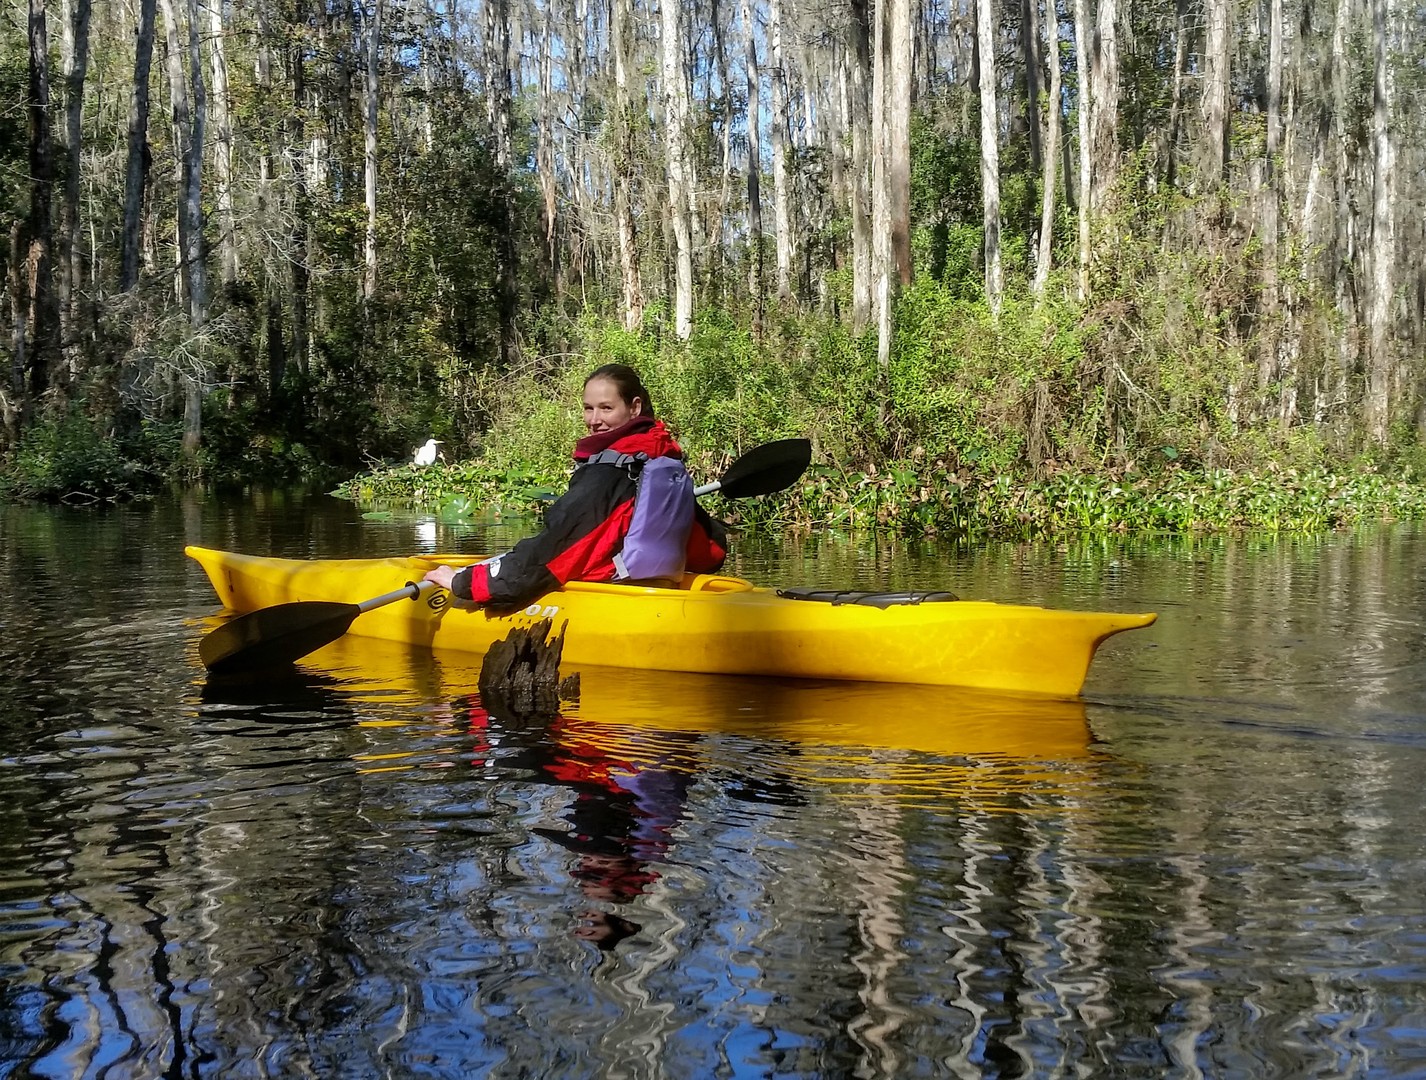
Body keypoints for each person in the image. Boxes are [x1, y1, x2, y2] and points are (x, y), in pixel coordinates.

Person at [423, 364, 727, 608]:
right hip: (657, 587)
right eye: (588, 408)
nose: (594, 420)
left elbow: (556, 547)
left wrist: (464, 584)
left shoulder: (610, 472)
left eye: (606, 408)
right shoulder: (661, 461)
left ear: (635, 408)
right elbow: (711, 552)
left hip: (613, 591)